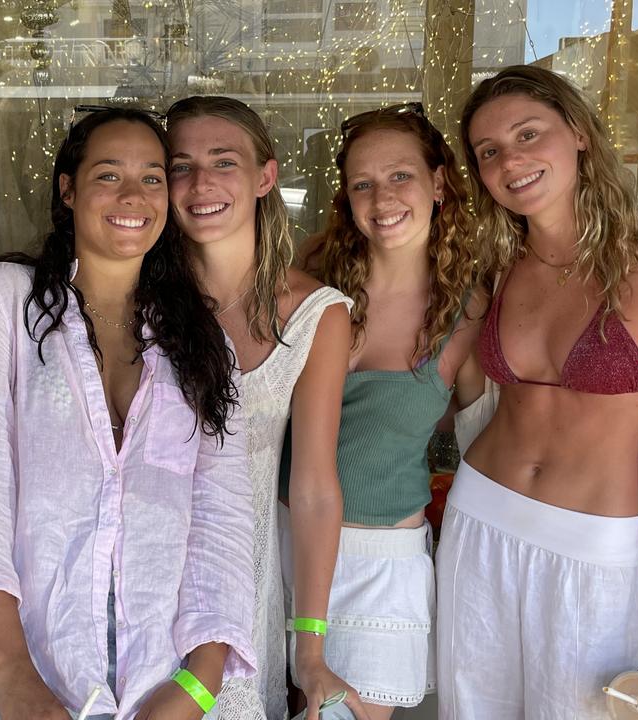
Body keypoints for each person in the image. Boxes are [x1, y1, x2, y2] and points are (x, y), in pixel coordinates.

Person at [0, 107, 255, 720]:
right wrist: (12, 674)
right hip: (6, 672)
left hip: (157, 684)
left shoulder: (201, 341)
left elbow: (223, 518)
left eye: (152, 177)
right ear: (68, 189)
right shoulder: (5, 300)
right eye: (108, 175)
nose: (133, 196)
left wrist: (198, 686)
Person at [442, 64, 638, 720]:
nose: (510, 159)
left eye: (527, 133)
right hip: (479, 525)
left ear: (577, 133)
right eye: (489, 152)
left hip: (593, 551)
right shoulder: (495, 269)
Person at [165, 95, 353, 720]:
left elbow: (315, 489)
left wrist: (310, 649)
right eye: (180, 166)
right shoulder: (138, 298)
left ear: (265, 177)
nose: (201, 184)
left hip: (242, 586)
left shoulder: (315, 313)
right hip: (138, 573)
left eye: (224, 161)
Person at [300, 102, 485, 719]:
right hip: (278, 542)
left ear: (438, 184)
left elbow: (484, 439)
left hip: (378, 568)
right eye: (363, 183)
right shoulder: (308, 275)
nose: (382, 198)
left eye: (400, 175)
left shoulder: (471, 307)